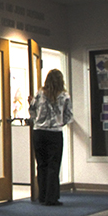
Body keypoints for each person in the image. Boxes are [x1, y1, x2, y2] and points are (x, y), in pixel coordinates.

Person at [28, 69, 73, 206]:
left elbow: (32, 110)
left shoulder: (40, 94)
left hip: (39, 132)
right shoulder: (64, 96)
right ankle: (51, 198)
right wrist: (59, 123)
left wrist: (38, 121)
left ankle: (42, 195)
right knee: (53, 165)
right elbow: (68, 116)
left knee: (41, 165)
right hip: (54, 133)